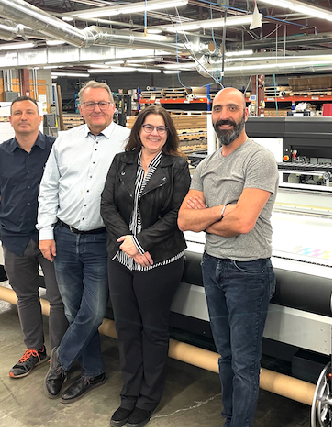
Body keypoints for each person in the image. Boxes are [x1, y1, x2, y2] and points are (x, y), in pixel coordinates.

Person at [177, 87, 279, 427]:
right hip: (212, 266)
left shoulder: (258, 158)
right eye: (218, 108)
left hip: (248, 271)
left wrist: (205, 218)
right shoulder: (206, 164)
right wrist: (221, 212)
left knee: (245, 362)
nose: (224, 115)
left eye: (232, 108)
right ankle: (229, 417)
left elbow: (244, 222)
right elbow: (183, 220)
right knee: (226, 356)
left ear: (245, 113)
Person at [38, 81, 130, 404]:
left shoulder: (127, 141)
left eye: (103, 103)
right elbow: (49, 188)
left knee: (91, 312)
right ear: (80, 108)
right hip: (63, 237)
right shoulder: (65, 141)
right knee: (74, 308)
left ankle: (60, 362)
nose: (97, 110)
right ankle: (93, 371)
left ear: (113, 106)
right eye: (90, 104)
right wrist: (45, 232)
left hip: (99, 241)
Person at [100, 105, 191, 427]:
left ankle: (148, 399)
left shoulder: (178, 167)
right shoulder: (121, 162)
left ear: (168, 134)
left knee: (153, 330)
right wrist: (127, 240)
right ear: (138, 130)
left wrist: (141, 243)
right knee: (126, 328)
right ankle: (129, 395)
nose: (154, 133)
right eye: (148, 127)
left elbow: (176, 215)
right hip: (121, 258)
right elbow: (107, 204)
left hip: (160, 260)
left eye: (161, 129)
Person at [0, 95, 68, 379]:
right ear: (11, 119)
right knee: (25, 296)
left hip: (52, 237)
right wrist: (12, 208)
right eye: (18, 113)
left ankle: (61, 354)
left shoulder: (58, 149)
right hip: (15, 238)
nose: (23, 117)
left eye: (29, 112)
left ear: (40, 118)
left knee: (58, 298)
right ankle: (34, 349)